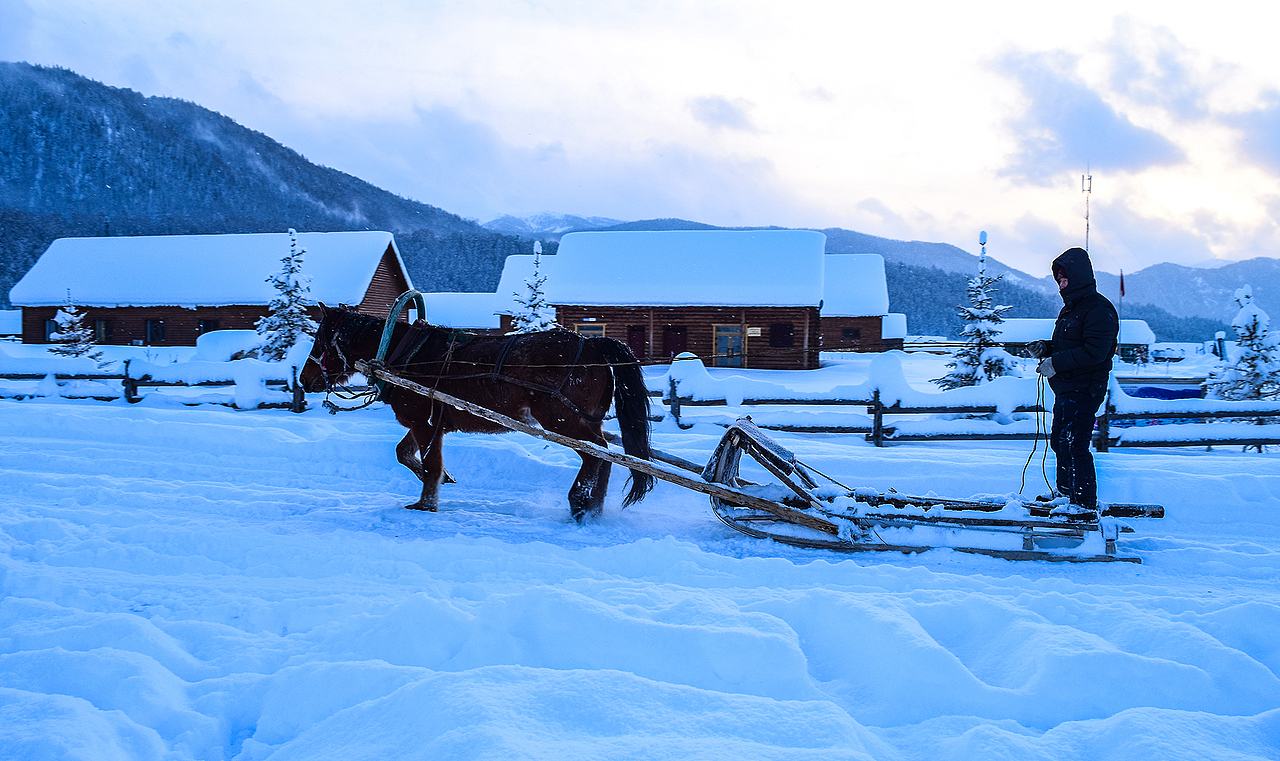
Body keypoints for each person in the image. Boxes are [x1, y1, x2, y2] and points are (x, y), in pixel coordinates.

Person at [1035, 247, 1119, 514]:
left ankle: (1082, 503)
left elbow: (1095, 351)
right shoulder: (1071, 310)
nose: (1061, 284)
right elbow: (1069, 345)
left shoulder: (1098, 309)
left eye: (1065, 278)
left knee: (1074, 444)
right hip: (1066, 388)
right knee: (1060, 441)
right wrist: (1046, 349)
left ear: (1079, 275)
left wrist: (1055, 362)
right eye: (1059, 279)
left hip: (1085, 389)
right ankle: (1065, 495)